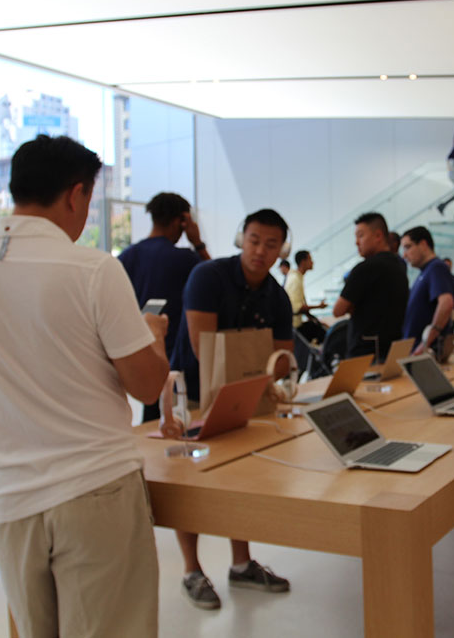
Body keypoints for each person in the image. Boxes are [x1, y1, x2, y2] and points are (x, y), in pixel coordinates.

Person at [0, 135, 170, 638]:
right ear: (76, 194)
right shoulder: (93, 269)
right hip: (95, 487)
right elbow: (147, 387)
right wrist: (153, 338)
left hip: (7, 494)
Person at [173, 208, 295, 609]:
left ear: (282, 249)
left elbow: (282, 357)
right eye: (255, 239)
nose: (261, 250)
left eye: (271, 244)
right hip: (193, 395)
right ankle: (192, 570)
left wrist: (273, 380)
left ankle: (241, 565)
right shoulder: (208, 277)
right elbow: (200, 347)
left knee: (238, 480)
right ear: (241, 237)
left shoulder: (276, 294)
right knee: (188, 484)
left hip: (245, 397)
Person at [118, 192, 210, 423]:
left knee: (151, 416)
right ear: (182, 221)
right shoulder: (185, 259)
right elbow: (216, 282)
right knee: (175, 417)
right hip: (177, 356)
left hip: (140, 349)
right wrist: (197, 242)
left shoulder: (126, 257)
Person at [333, 212, 408, 361]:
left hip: (364, 356)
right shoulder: (400, 266)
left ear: (378, 236)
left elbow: (338, 310)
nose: (356, 242)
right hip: (393, 351)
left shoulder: (365, 268)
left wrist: (355, 306)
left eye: (360, 235)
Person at [401, 226, 454, 355]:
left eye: (408, 247)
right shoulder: (425, 272)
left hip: (425, 353)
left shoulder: (436, 267)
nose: (405, 255)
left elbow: (446, 303)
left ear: (423, 244)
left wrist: (426, 342)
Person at [285, 249, 327, 343]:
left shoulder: (298, 277)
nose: (312, 262)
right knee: (322, 334)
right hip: (295, 328)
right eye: (310, 259)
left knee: (320, 329)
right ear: (303, 262)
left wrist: (315, 320)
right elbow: (296, 308)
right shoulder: (295, 279)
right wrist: (319, 307)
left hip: (296, 324)